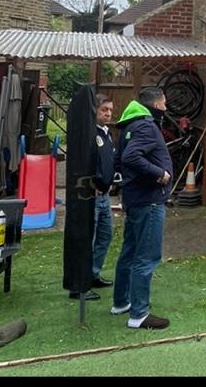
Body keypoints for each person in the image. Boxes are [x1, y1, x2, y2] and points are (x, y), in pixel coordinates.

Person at [111, 85, 172, 330]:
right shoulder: (146, 126)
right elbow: (130, 158)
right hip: (148, 201)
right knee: (146, 257)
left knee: (129, 252)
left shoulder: (130, 125)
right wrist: (159, 174)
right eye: (165, 104)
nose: (166, 108)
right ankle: (139, 314)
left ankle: (121, 302)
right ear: (157, 104)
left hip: (136, 199)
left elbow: (118, 160)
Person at [90, 95, 118, 290]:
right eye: (104, 110)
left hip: (105, 196)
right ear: (95, 111)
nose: (108, 113)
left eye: (110, 110)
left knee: (105, 235)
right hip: (91, 197)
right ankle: (82, 279)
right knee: (89, 239)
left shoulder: (107, 134)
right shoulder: (90, 134)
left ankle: (93, 273)